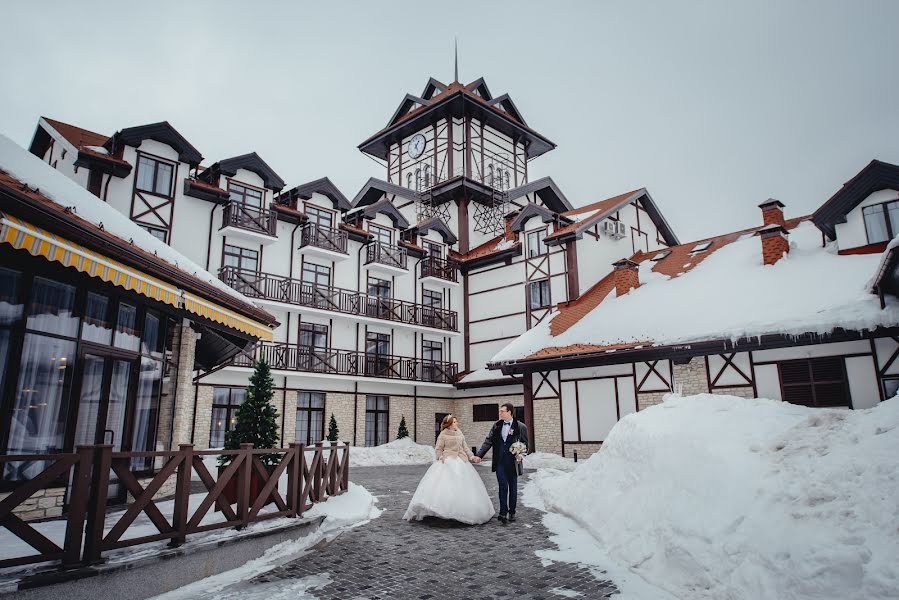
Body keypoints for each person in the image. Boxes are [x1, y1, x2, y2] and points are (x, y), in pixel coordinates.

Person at [403, 414, 494, 525]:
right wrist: (441, 457)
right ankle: (442, 511)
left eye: (456, 421)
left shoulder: (459, 433)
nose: (457, 423)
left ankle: (462, 510)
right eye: (455, 422)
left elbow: (465, 448)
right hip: (447, 461)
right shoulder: (443, 434)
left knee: (463, 487)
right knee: (445, 487)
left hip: (461, 462)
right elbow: (438, 449)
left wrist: (472, 457)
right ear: (449, 424)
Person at [473, 403, 528, 525]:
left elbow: (525, 444)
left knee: (513, 487)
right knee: (503, 486)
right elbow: (488, 441)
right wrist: (479, 455)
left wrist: (521, 454)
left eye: (502, 411)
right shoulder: (497, 425)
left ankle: (512, 511)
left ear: (509, 412)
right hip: (500, 462)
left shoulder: (520, 426)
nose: (500, 413)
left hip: (513, 462)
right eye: (500, 411)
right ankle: (503, 512)